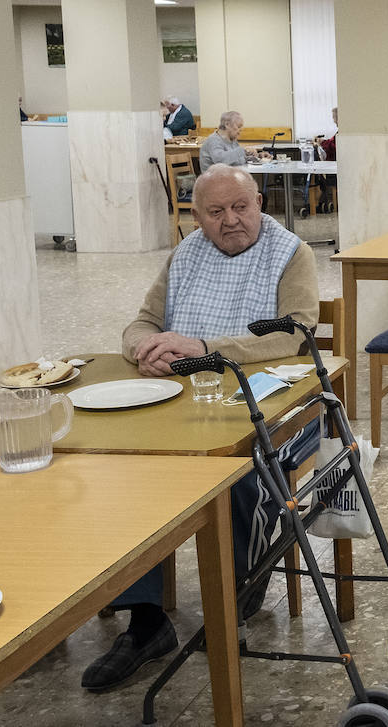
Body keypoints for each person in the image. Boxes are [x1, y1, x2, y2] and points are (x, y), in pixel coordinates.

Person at [87, 164, 319, 692]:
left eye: (241, 207)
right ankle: (146, 623)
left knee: (236, 476)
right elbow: (143, 321)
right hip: (182, 406)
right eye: (215, 212)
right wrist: (143, 349)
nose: (231, 221)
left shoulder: (291, 253)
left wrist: (204, 350)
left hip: (276, 410)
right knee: (130, 467)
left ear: (259, 202)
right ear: (197, 216)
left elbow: (295, 334)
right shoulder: (185, 254)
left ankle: (236, 591)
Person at [200, 111, 268, 169]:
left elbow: (237, 160)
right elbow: (220, 160)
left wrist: (257, 156)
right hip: (215, 181)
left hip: (229, 177)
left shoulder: (232, 140)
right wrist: (243, 150)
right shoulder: (214, 140)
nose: (240, 131)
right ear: (227, 124)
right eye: (238, 127)